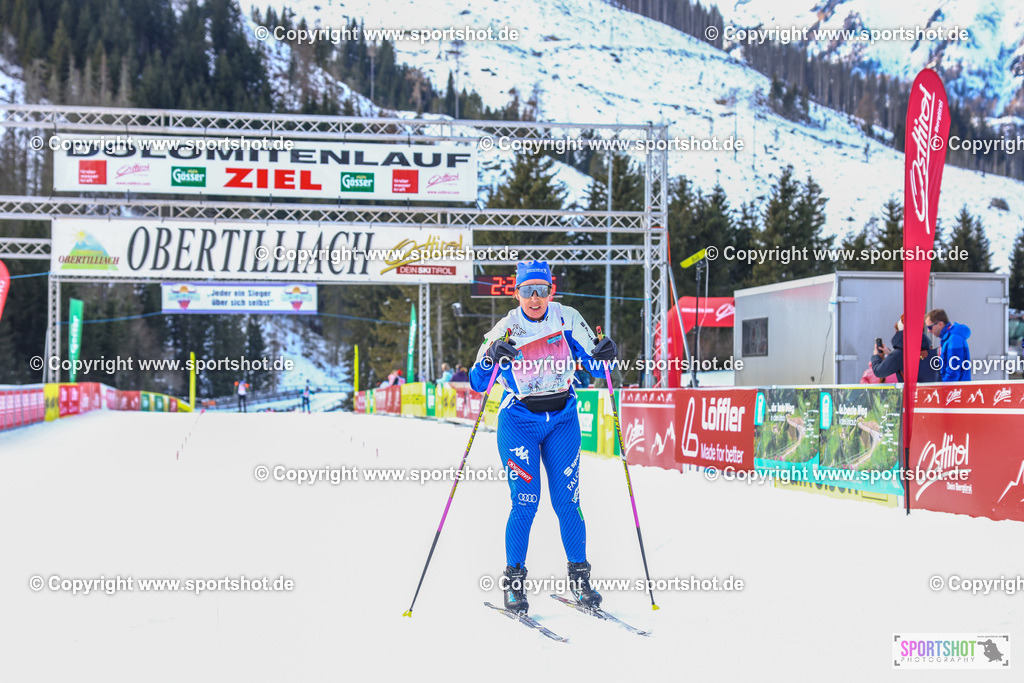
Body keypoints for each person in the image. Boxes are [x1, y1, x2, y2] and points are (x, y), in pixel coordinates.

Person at [468, 260, 617, 614]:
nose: (535, 298)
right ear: (516, 292)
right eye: (526, 291)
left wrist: (607, 354)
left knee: (568, 501)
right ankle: (514, 585)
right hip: (519, 420)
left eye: (541, 290)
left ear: (552, 290)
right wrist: (491, 357)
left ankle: (581, 582)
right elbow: (477, 382)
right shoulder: (506, 328)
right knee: (525, 501)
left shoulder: (566, 318)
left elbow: (596, 366)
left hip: (563, 419)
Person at [871, 316, 939, 383]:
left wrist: (876, 356)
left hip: (912, 393)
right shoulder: (928, 348)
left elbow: (879, 372)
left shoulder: (900, 354)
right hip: (931, 392)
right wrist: (890, 353)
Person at [925, 309, 972, 381]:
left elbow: (953, 370)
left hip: (956, 389)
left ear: (940, 324)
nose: (929, 331)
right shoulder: (948, 339)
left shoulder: (953, 340)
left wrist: (945, 388)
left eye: (930, 327)